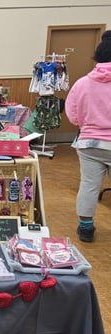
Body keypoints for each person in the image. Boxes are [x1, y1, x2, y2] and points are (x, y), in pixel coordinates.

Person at [65, 31, 111, 242]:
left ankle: (86, 229)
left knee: (89, 185)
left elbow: (73, 115)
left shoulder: (82, 83)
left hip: (89, 142)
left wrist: (88, 125)